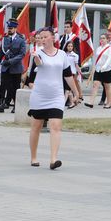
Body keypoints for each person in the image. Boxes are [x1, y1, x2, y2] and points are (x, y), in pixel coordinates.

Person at [27, 27, 77, 170]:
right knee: (36, 127)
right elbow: (39, 63)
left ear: (53, 38)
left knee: (55, 126)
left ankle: (54, 159)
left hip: (56, 96)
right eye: (40, 37)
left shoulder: (62, 55)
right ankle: (34, 157)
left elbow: (68, 75)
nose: (42, 39)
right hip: (39, 96)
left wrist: (75, 92)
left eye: (45, 37)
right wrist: (35, 57)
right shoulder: (37, 53)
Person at [0, 18, 27, 113]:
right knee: (3, 85)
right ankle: (1, 103)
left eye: (11, 28)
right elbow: (1, 53)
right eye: (9, 28)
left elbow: (22, 54)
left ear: (15, 28)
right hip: (5, 67)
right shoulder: (5, 39)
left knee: (15, 87)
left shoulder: (21, 39)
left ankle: (16, 105)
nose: (9, 30)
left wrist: (11, 61)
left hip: (15, 67)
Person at [85, 34, 111, 109]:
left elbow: (110, 58)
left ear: (107, 39)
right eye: (101, 38)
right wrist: (94, 67)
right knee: (95, 84)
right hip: (98, 70)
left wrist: (104, 66)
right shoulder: (98, 48)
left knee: (107, 87)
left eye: (103, 38)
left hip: (108, 70)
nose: (102, 40)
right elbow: (97, 59)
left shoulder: (110, 48)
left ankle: (108, 103)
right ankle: (91, 102)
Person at [63, 40, 81, 108]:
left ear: (73, 47)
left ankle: (62, 104)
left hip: (72, 73)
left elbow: (76, 65)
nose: (70, 47)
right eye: (68, 46)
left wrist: (79, 73)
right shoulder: (64, 54)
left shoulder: (75, 55)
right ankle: (72, 102)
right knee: (68, 89)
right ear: (66, 47)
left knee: (67, 90)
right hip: (64, 73)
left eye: (71, 46)